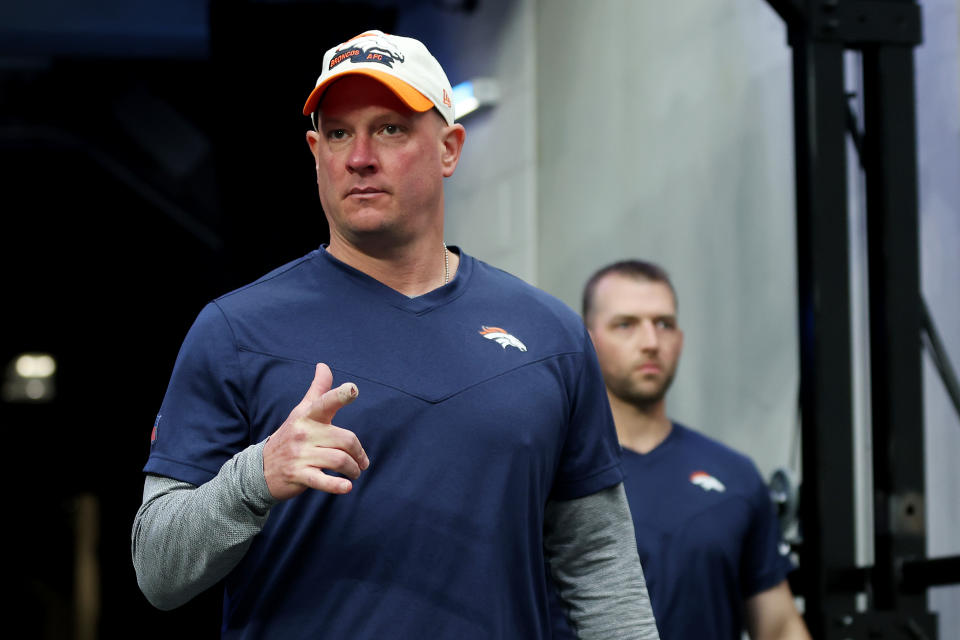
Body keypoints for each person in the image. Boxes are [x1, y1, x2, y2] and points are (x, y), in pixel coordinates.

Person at [132, 30, 660, 639]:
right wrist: (254, 477)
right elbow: (157, 570)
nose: (359, 156)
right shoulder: (233, 330)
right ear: (315, 152)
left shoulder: (550, 336)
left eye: (390, 128)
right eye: (337, 133)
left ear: (449, 148)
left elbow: (599, 566)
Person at [581, 260, 810, 640]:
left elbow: (779, 624)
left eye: (664, 324)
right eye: (626, 325)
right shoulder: (555, 472)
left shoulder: (734, 475)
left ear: (680, 340)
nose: (651, 342)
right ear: (588, 340)